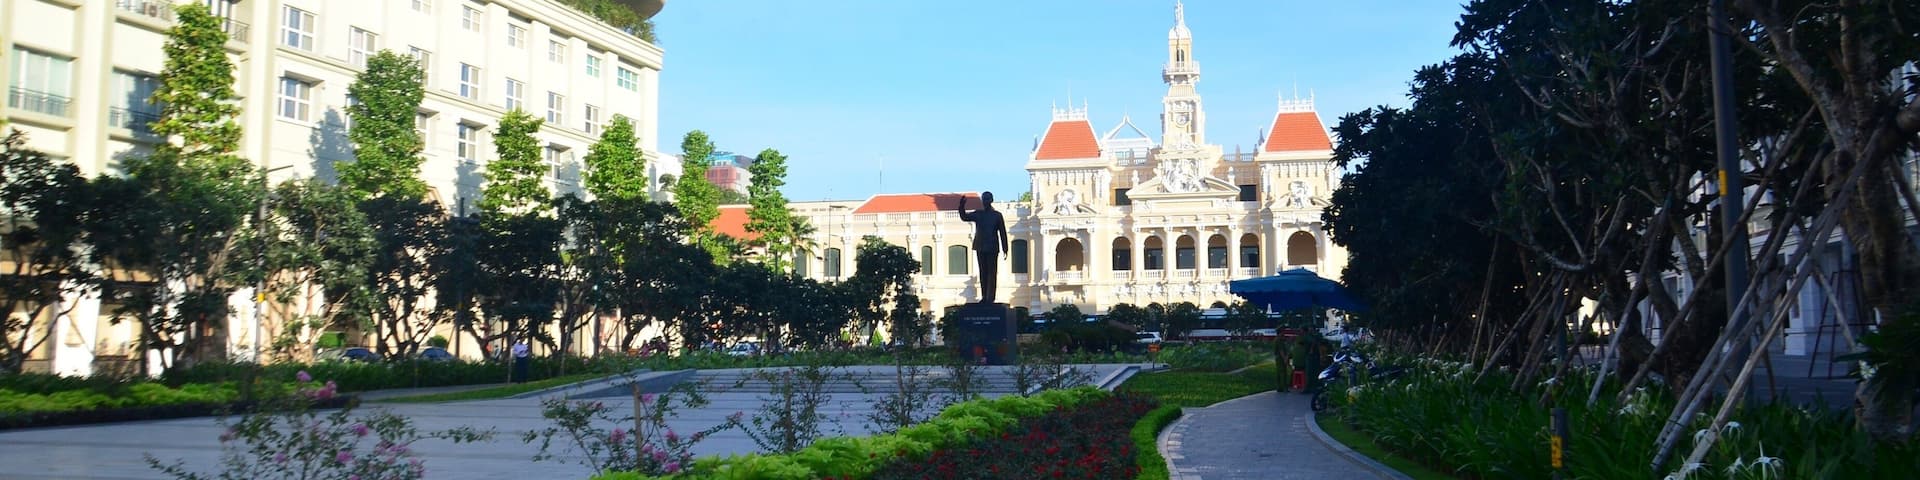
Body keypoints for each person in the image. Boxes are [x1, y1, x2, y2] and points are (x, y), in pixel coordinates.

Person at [956, 192, 1009, 304]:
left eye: (987, 199)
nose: (985, 201)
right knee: (983, 272)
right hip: (980, 246)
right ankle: (985, 296)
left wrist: (1005, 248)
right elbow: (965, 217)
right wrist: (961, 207)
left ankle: (991, 297)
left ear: (991, 200)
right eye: (984, 199)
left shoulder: (997, 215)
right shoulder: (978, 214)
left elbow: (1003, 233)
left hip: (992, 247)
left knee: (992, 273)